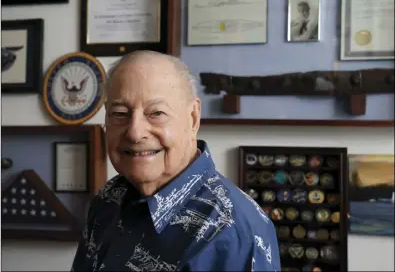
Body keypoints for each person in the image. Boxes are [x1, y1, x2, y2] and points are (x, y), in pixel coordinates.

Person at [71, 50, 281, 272]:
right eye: (120, 113)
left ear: (193, 118)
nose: (134, 132)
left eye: (156, 113)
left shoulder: (233, 232)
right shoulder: (108, 200)